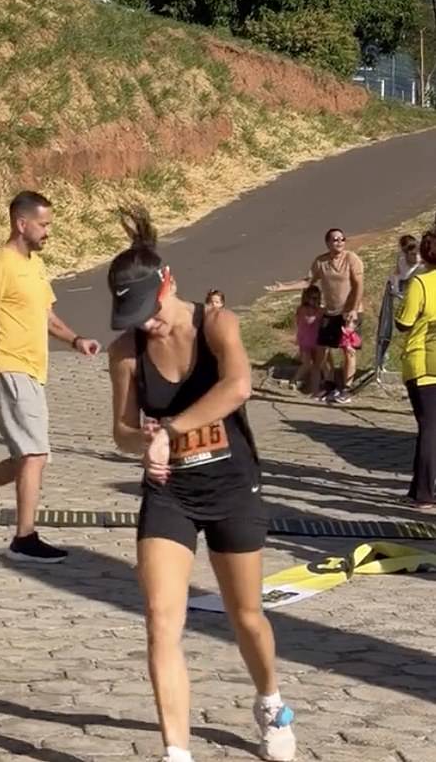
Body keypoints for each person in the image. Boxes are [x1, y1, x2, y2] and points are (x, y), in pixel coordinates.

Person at [107, 205, 296, 762]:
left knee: (246, 616)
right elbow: (119, 431)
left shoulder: (218, 324)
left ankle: (269, 701)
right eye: (135, 317)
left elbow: (239, 387)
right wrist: (145, 444)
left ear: (170, 284)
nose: (148, 325)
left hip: (232, 487)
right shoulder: (126, 353)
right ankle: (176, 752)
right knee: (161, 621)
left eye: (152, 311)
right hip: (169, 494)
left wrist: (169, 427)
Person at [0, 190, 101, 562]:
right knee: (34, 454)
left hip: (31, 370)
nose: (48, 232)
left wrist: (76, 339)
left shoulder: (34, 266)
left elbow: (45, 315)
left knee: (26, 456)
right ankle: (24, 538)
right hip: (8, 365)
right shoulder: (2, 263)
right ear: (21, 223)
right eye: (43, 225)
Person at [266, 228, 364, 404]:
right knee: (323, 349)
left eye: (342, 239)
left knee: (347, 349)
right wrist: (283, 287)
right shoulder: (321, 262)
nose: (339, 242)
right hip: (331, 311)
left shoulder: (352, 259)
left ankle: (346, 389)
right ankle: (330, 383)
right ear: (327, 243)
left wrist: (353, 309)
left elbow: (359, 285)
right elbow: (307, 281)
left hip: (350, 311)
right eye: (335, 240)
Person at [395, 229, 436, 510]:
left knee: (429, 428)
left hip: (422, 363)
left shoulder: (421, 283)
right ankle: (417, 488)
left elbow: (405, 322)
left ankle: (424, 493)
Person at [291, 285, 322, 391]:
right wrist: (319, 312)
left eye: (317, 298)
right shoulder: (302, 310)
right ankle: (294, 380)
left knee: (318, 365)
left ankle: (316, 387)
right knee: (307, 363)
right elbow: (308, 320)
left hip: (317, 341)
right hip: (306, 341)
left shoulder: (319, 310)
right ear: (307, 298)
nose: (315, 301)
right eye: (313, 298)